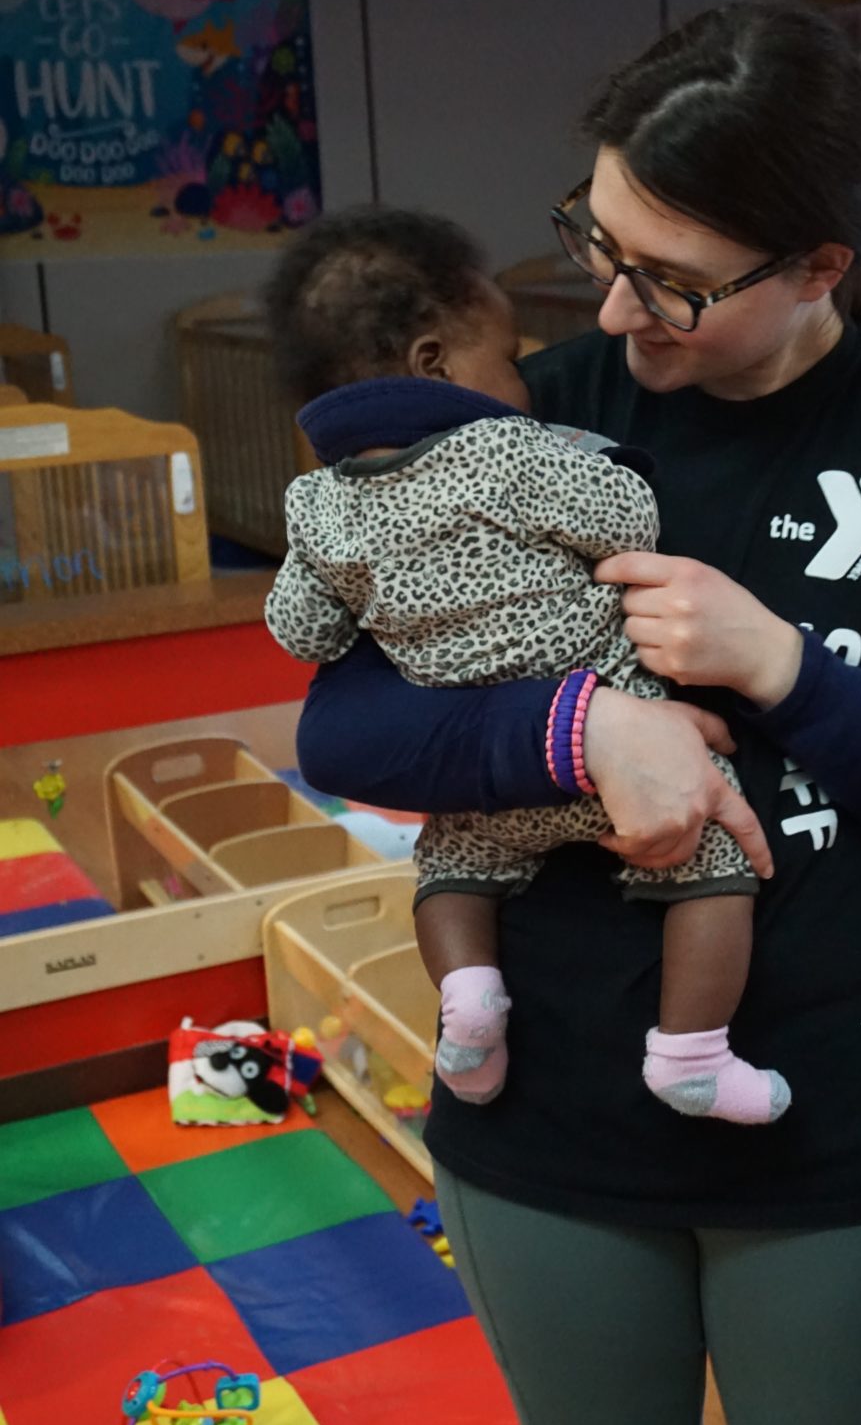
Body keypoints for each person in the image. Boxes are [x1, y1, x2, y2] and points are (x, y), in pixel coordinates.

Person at [294, 2, 861, 1425]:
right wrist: (580, 735)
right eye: (597, 244)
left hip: (829, 1145)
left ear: (818, 266)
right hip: (540, 1128)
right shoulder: (525, 419)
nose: (612, 310)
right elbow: (344, 724)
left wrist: (788, 671)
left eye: (671, 281)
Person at [262, 209, 784, 1125]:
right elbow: (626, 524)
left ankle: (468, 1000)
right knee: (712, 862)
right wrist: (606, 463)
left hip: (476, 781)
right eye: (507, 356)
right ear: (435, 363)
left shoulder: (317, 502)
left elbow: (303, 631)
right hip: (610, 752)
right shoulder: (509, 449)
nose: (524, 378)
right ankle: (691, 1055)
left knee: (447, 870)